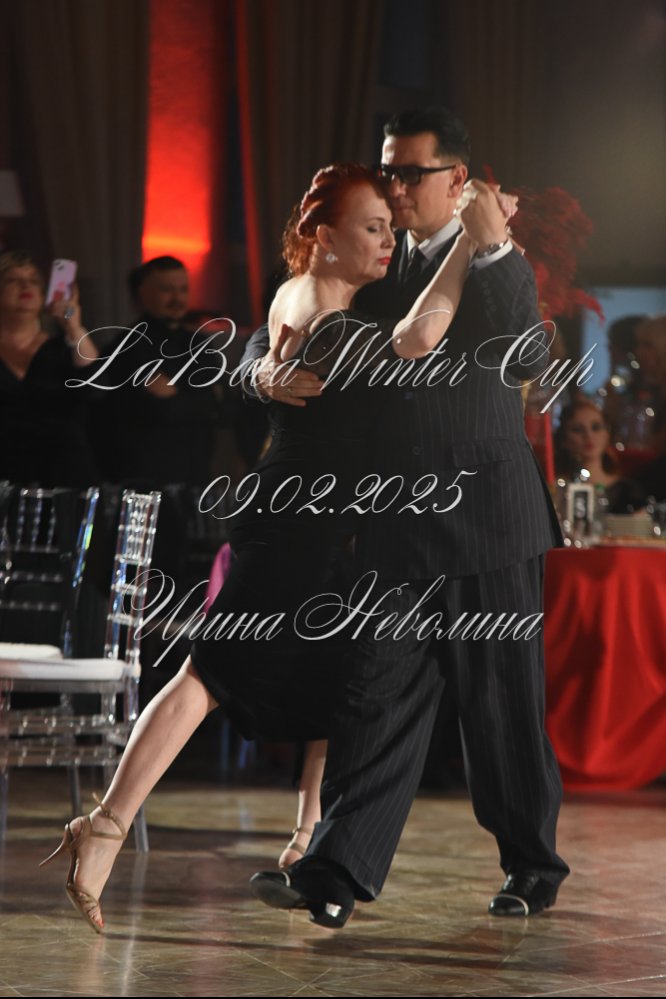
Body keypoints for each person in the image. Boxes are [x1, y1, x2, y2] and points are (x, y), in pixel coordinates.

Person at [40, 162, 481, 933]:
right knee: (210, 673)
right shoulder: (328, 313)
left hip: (315, 524)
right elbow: (415, 339)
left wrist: (255, 370)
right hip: (294, 527)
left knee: (342, 679)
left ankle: (309, 837)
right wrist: (469, 244)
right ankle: (105, 824)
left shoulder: (308, 297)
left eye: (389, 227)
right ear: (324, 235)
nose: (387, 240)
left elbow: (256, 349)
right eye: (371, 227)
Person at [247, 106, 569, 925]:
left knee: (500, 706)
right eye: (387, 170)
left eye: (410, 173)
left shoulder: (498, 259)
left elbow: (530, 353)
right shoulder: (377, 259)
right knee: (374, 694)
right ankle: (334, 872)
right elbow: (292, 312)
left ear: (457, 179)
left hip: (490, 519)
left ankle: (532, 863)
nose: (393, 187)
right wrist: (258, 371)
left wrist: (493, 250)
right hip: (397, 522)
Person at [0, 250, 99, 487]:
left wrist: (72, 325)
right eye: (13, 279)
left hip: (62, 472)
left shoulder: (61, 348)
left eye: (33, 281)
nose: (26, 286)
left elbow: (95, 382)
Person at [554, 400, 646, 513]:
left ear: (607, 435)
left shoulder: (629, 492)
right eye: (577, 429)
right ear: (563, 439)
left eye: (596, 427)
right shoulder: (556, 489)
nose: (588, 435)